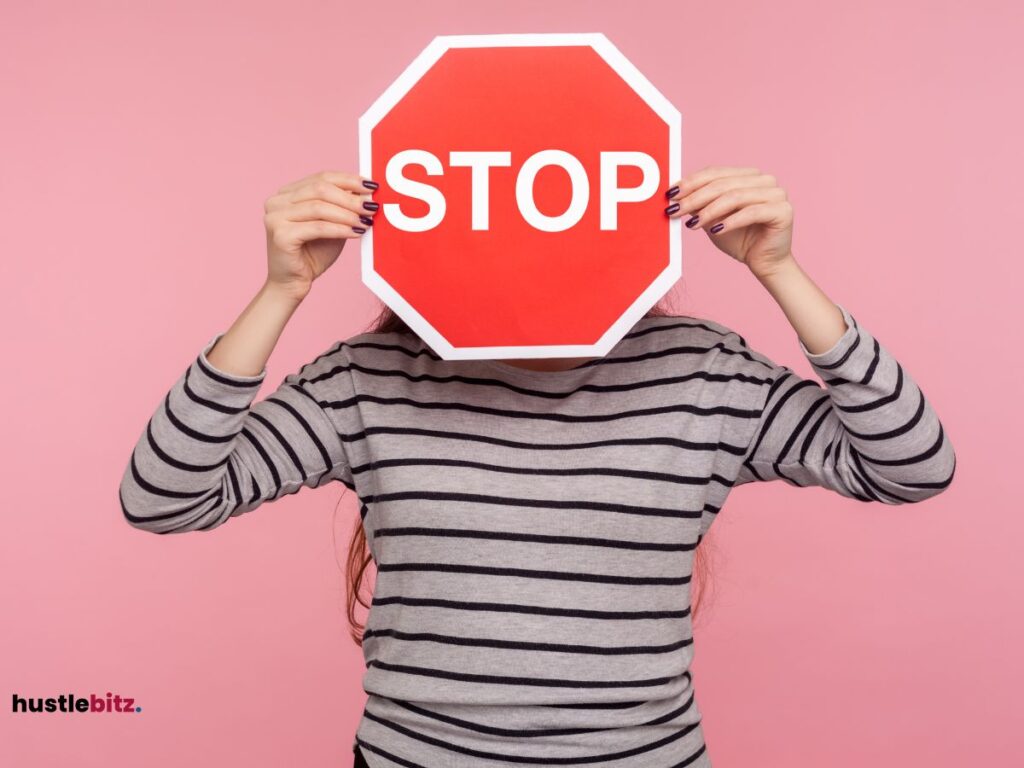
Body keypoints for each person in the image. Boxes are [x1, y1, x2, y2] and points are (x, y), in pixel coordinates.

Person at [119, 166, 956, 767]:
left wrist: (779, 271)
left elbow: (912, 463)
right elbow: (164, 495)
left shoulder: (701, 372)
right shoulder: (370, 378)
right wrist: (279, 292)